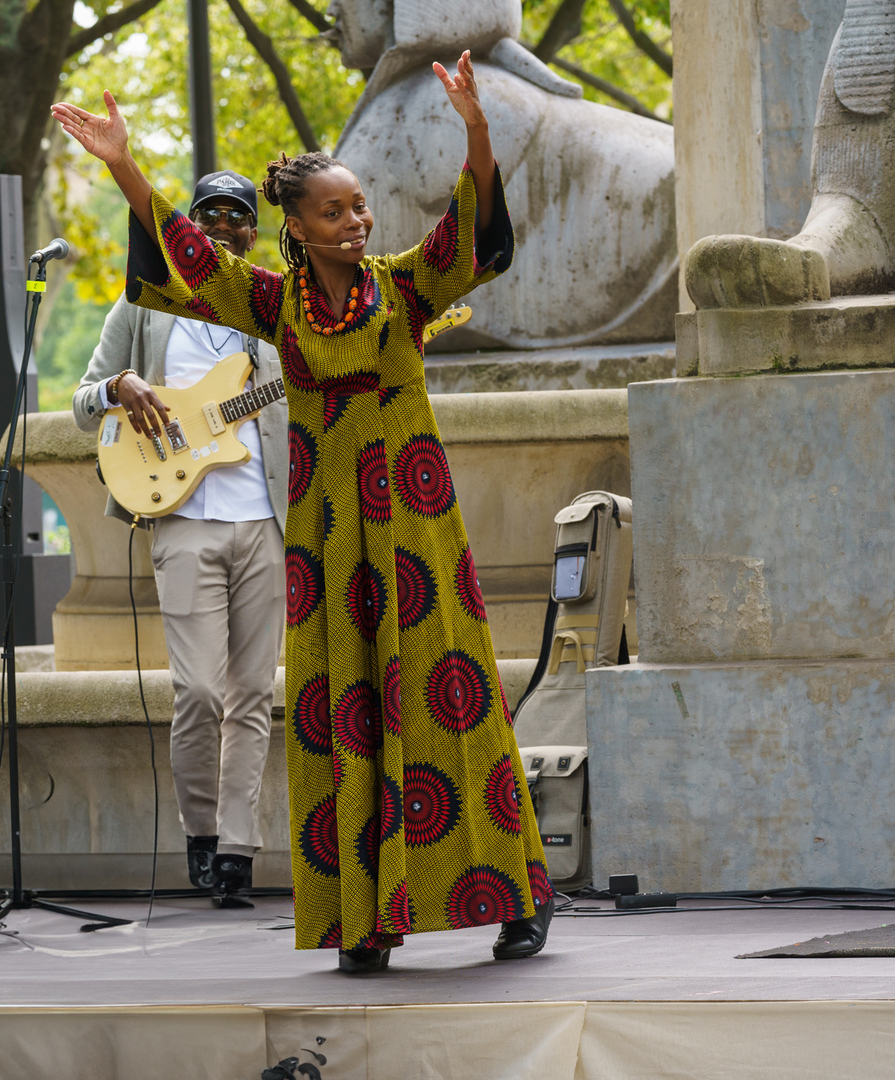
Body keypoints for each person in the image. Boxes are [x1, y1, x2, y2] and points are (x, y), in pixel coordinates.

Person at [53, 51, 554, 972]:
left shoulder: (404, 289)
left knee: (453, 701)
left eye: (360, 205)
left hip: (413, 528)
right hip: (325, 540)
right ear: (301, 229)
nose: (358, 220)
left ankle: (516, 897)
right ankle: (365, 916)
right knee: (342, 717)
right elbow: (186, 255)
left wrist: (476, 129)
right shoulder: (274, 310)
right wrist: (123, 163)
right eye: (337, 211)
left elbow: (473, 236)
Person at [71, 171, 289, 909]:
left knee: (253, 694)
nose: (221, 226)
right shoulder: (142, 305)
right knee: (198, 691)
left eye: (236, 217)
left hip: (264, 521)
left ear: (252, 233)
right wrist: (117, 389)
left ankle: (235, 849)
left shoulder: (271, 308)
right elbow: (80, 401)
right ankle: (200, 828)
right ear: (185, 230)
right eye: (207, 217)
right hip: (182, 520)